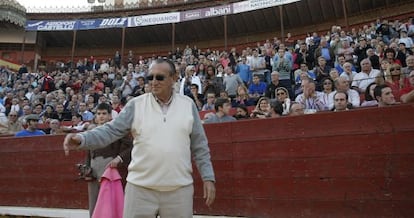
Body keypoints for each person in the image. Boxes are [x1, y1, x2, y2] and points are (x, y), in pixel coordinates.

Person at [63, 59, 215, 218]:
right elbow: (110, 130)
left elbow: (200, 146)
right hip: (140, 189)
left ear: (174, 77)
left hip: (179, 190)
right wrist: (82, 139)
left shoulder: (188, 105)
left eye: (160, 77)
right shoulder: (136, 105)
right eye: (151, 77)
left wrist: (208, 177)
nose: (154, 82)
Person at [85, 103, 132, 217]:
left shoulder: (118, 130)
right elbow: (88, 152)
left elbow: (131, 147)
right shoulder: (92, 131)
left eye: (104, 114)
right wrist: (87, 168)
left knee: (110, 204)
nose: (101, 116)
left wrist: (119, 158)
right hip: (94, 170)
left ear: (110, 116)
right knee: (94, 204)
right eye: (99, 113)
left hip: (111, 170)